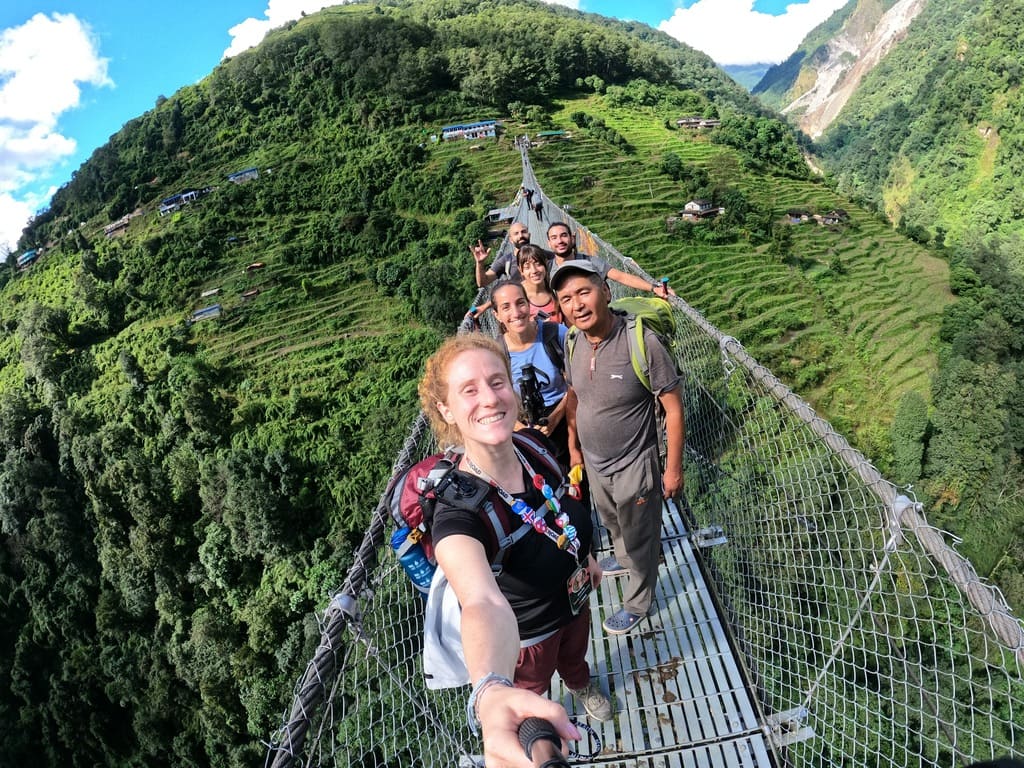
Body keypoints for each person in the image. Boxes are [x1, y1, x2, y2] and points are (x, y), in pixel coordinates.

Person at [418, 335, 613, 765]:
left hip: (576, 599)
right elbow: (480, 600)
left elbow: (562, 510)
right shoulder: (457, 514)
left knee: (576, 657)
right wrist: (489, 690)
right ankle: (538, 717)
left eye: (497, 381)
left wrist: (585, 557)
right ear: (446, 409)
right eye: (469, 390)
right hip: (528, 638)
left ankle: (581, 685)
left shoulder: (531, 446)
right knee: (533, 690)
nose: (489, 398)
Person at [552, 260, 685, 636]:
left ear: (606, 293)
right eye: (566, 298)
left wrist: (673, 469)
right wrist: (573, 446)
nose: (576, 304)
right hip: (595, 462)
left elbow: (674, 409)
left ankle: (637, 602)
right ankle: (623, 559)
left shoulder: (642, 344)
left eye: (584, 292)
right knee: (612, 521)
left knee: (642, 534)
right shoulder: (572, 341)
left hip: (636, 462)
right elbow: (576, 396)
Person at [491, 281, 570, 464]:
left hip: (566, 419)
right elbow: (495, 402)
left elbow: (577, 382)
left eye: (520, 303)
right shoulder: (495, 354)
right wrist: (524, 431)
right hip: (524, 428)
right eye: (506, 307)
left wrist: (555, 417)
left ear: (528, 304)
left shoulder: (556, 333)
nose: (516, 313)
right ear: (497, 315)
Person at [546, 222, 674, 301]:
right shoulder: (547, 269)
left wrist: (654, 288)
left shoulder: (590, 262)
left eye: (563, 235)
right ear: (549, 243)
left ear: (572, 238)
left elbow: (621, 276)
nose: (559, 241)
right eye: (554, 238)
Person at [473, 221, 532, 287]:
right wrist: (480, 263)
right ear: (511, 240)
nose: (521, 235)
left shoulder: (542, 255)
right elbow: (482, 282)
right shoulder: (506, 261)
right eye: (516, 233)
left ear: (529, 235)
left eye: (523, 232)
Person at [516, 244, 561, 324]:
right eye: (527, 267)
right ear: (521, 270)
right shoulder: (518, 295)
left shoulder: (556, 289)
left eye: (538, 264)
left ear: (546, 264)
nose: (534, 270)